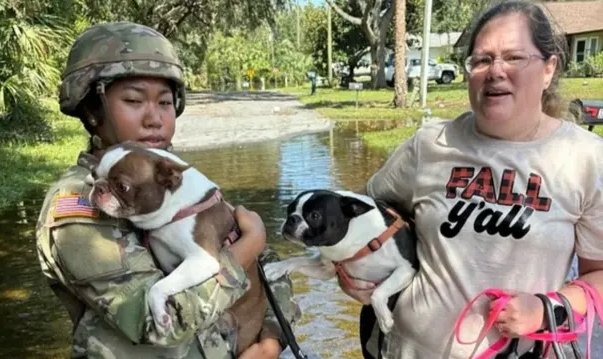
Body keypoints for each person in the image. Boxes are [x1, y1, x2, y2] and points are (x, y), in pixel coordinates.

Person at [340, 1, 603, 358]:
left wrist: (545, 310)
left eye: (513, 57)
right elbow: (361, 214)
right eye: (481, 60)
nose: (495, 71)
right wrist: (356, 270)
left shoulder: (588, 159)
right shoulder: (429, 145)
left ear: (548, 68)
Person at [35, 21, 301, 359]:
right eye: (133, 100)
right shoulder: (77, 205)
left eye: (164, 102)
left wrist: (272, 340)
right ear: (92, 110)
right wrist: (249, 245)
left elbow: (266, 267)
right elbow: (157, 321)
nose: (154, 119)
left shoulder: (171, 178)